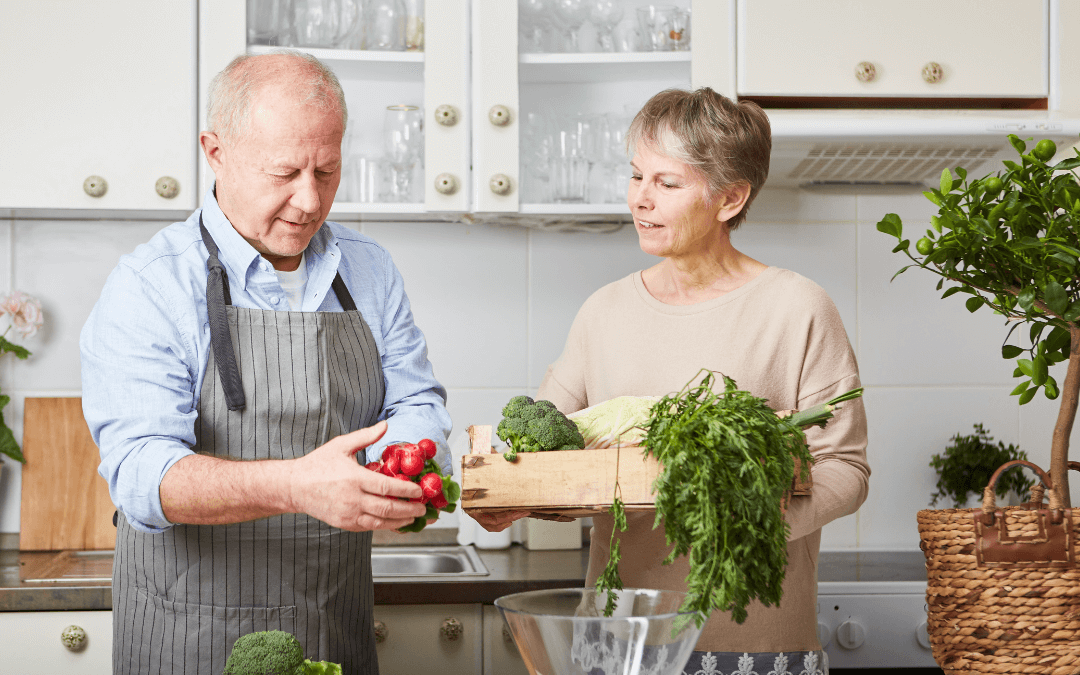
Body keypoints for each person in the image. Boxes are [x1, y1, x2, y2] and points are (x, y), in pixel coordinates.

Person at [80, 51, 452, 675]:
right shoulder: (149, 286)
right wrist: (294, 485)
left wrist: (404, 473)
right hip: (189, 636)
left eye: (327, 171)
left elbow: (414, 403)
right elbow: (143, 475)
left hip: (336, 626)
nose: (309, 200)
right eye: (284, 172)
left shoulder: (370, 270)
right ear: (215, 151)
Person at [478, 88, 869, 674]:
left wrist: (736, 526)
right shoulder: (603, 311)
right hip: (619, 639)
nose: (641, 199)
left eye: (667, 183)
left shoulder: (797, 307)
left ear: (730, 198)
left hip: (755, 641)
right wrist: (513, 498)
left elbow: (846, 469)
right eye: (636, 176)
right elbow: (545, 448)